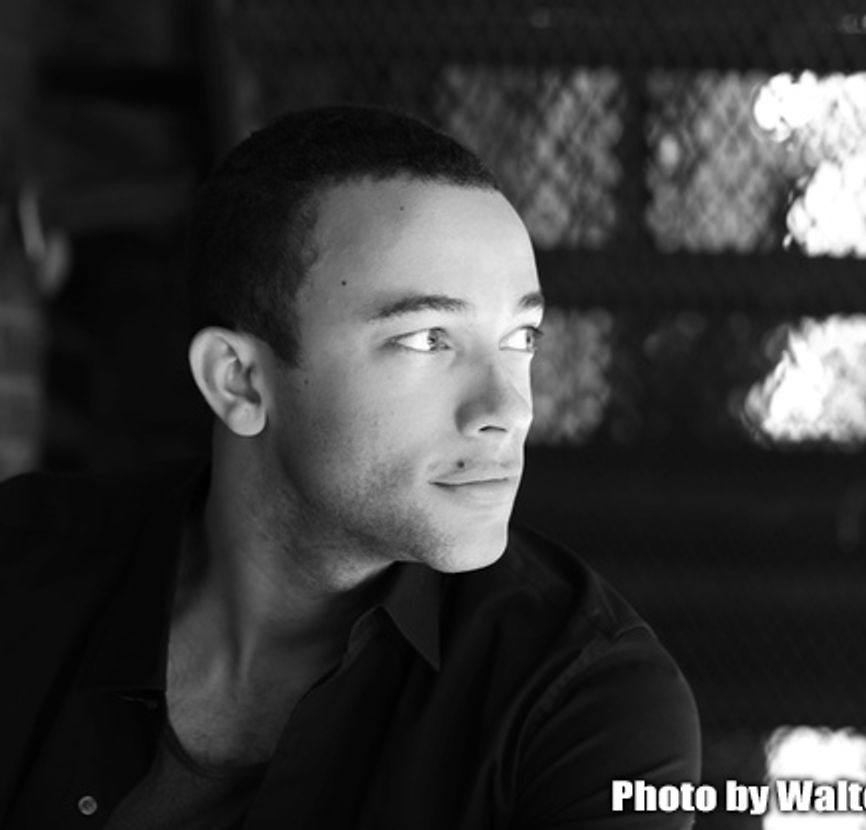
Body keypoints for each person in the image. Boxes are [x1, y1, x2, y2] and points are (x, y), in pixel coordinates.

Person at [0, 106, 700, 828]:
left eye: (522, 336)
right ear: (240, 382)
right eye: (427, 339)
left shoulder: (588, 708)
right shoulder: (23, 561)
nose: (509, 408)